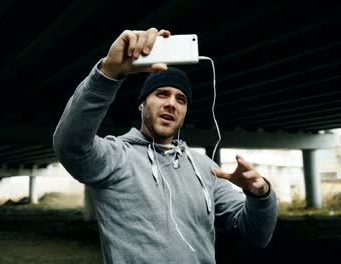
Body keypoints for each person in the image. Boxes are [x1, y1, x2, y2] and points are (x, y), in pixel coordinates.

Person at [53, 28, 278, 264]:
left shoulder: (205, 168)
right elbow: (70, 146)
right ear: (141, 105)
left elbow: (256, 235)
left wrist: (260, 195)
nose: (172, 104)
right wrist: (107, 74)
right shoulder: (117, 157)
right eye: (162, 94)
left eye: (181, 99)